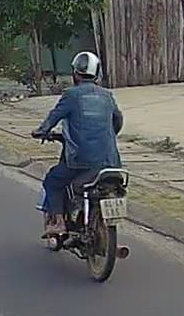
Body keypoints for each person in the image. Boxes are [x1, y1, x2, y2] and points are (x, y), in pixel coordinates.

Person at [31, 51, 124, 238]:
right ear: (96, 74)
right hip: (111, 161)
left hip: (81, 161)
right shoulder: (107, 95)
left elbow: (54, 117)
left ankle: (59, 223)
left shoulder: (71, 95)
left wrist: (42, 130)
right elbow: (118, 120)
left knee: (53, 181)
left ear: (75, 73)